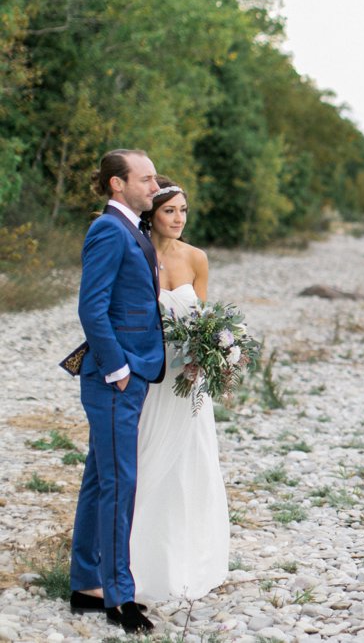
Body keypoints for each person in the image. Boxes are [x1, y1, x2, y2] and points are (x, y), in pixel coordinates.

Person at [70, 149, 162, 634]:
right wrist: (117, 368)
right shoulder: (108, 229)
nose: (155, 186)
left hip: (135, 370)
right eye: (145, 179)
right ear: (116, 184)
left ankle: (85, 584)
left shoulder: (133, 228)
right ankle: (118, 598)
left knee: (98, 479)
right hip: (116, 378)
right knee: (119, 482)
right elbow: (92, 307)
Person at [130, 178, 229, 603]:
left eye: (184, 211)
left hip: (188, 377)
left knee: (191, 464)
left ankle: (191, 559)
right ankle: (137, 562)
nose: (178, 219)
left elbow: (204, 321)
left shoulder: (197, 258)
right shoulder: (137, 254)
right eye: (170, 210)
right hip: (152, 374)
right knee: (147, 457)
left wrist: (207, 356)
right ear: (151, 213)